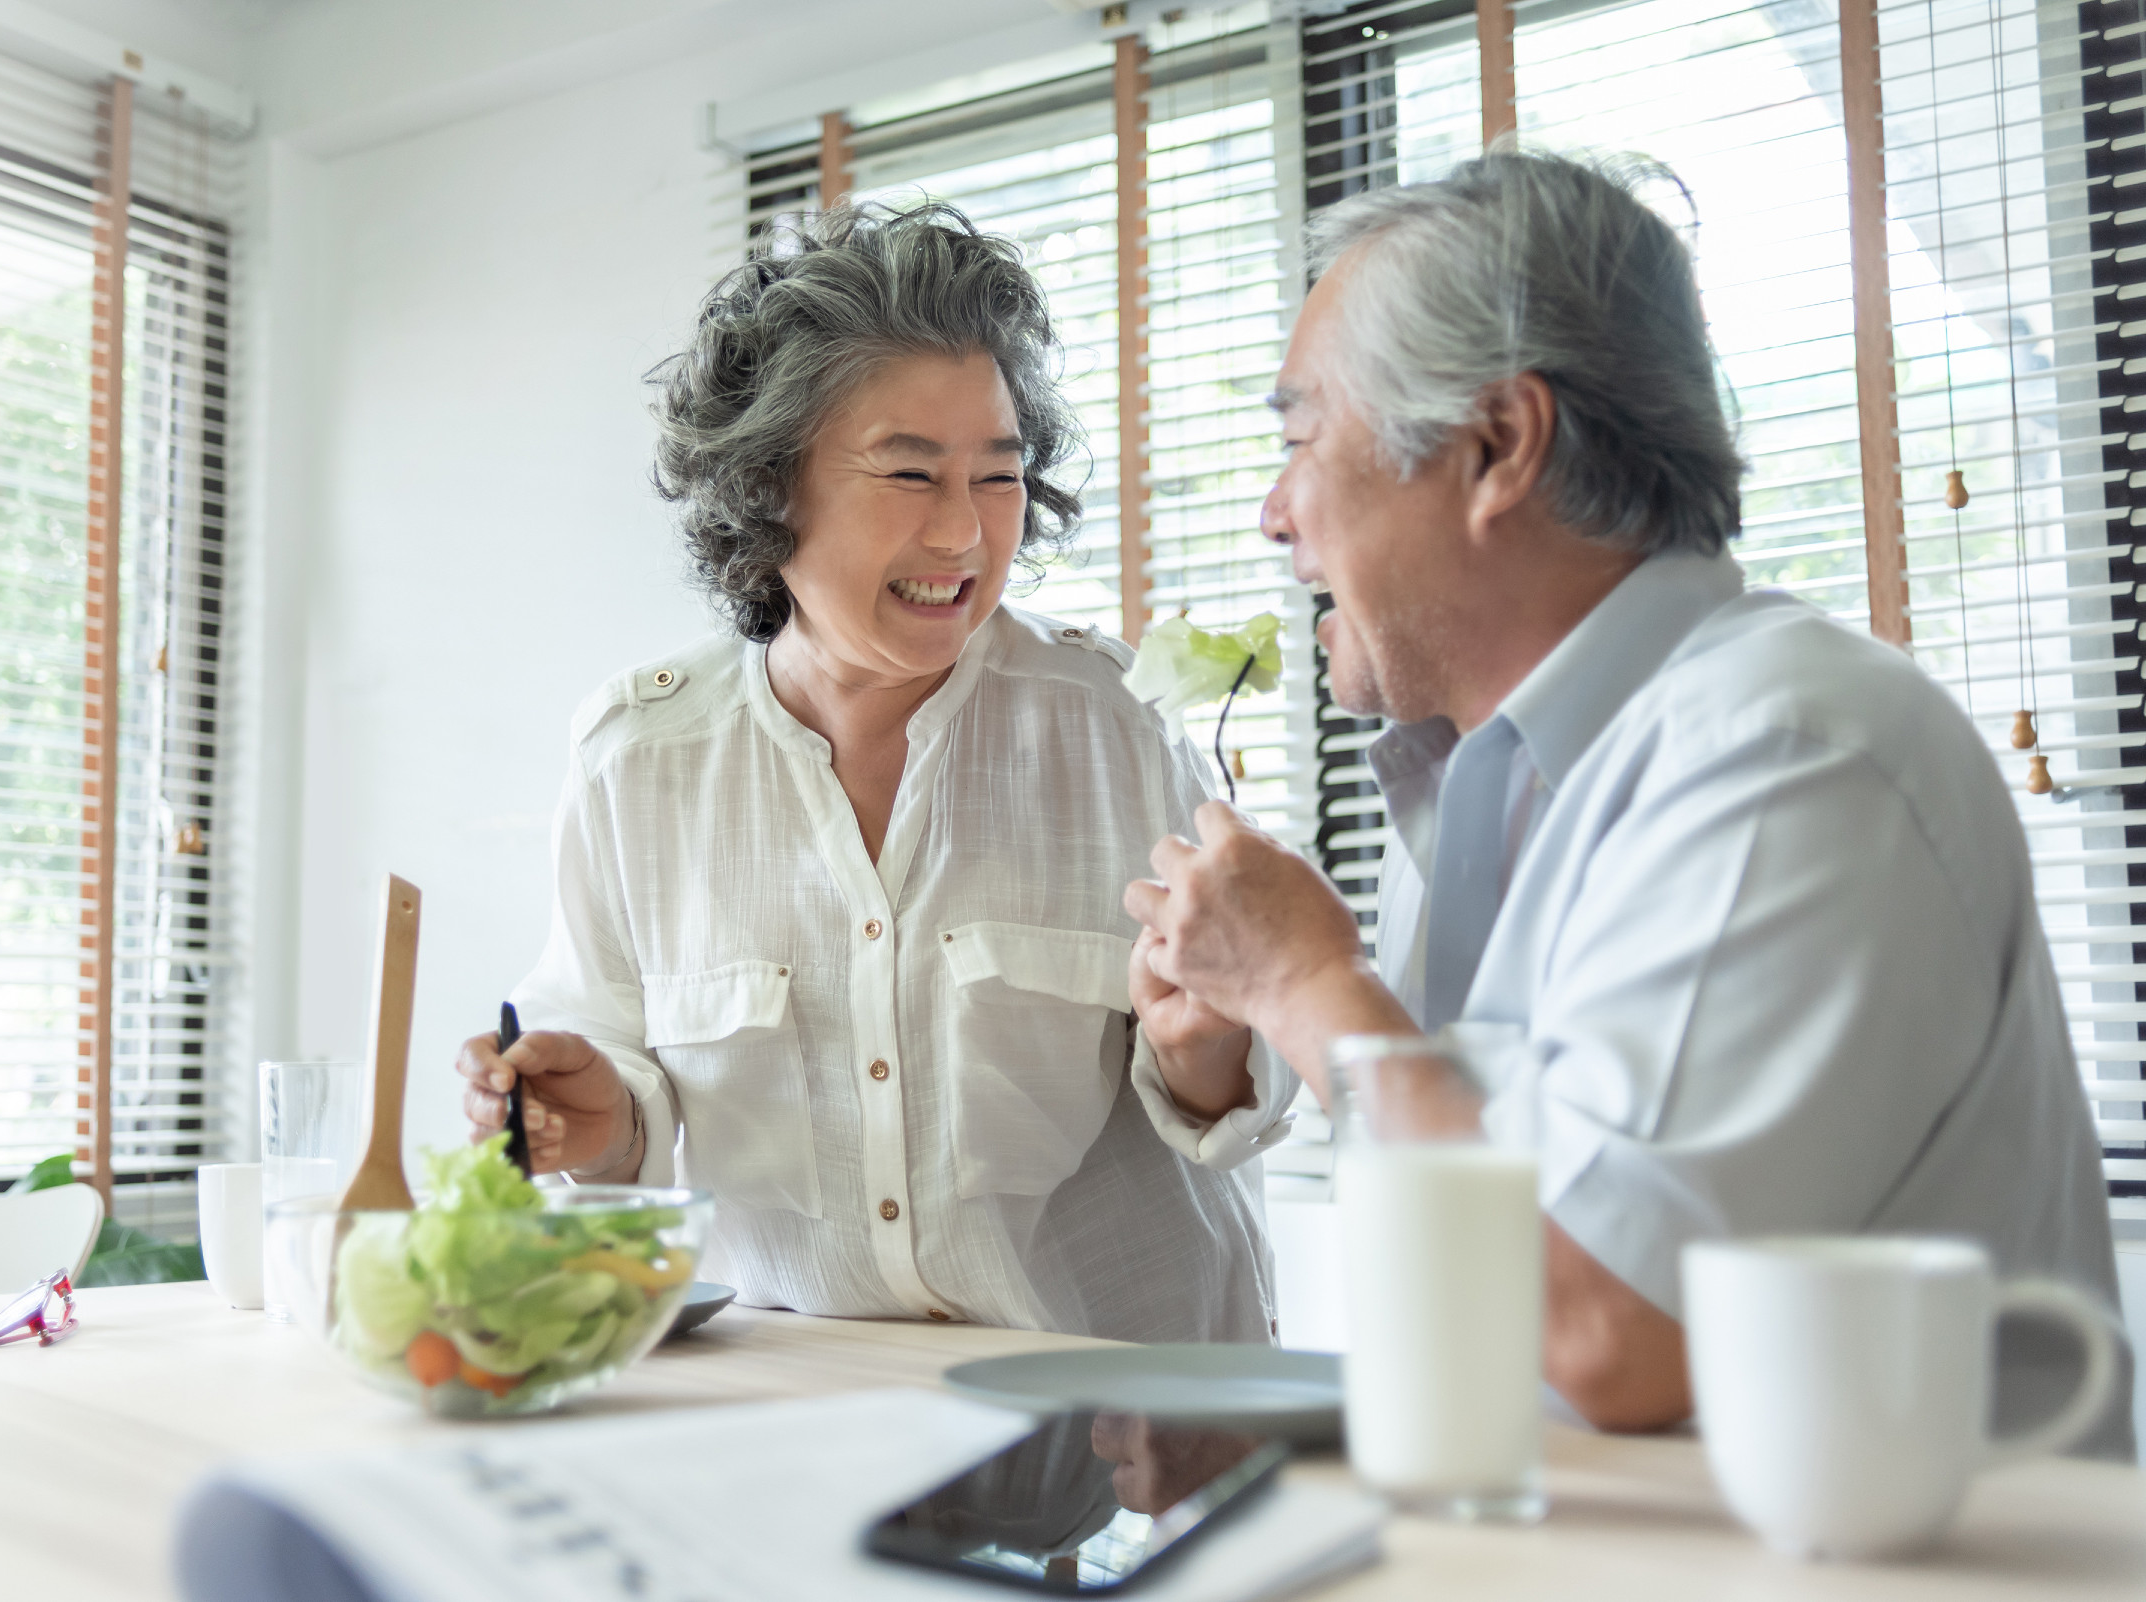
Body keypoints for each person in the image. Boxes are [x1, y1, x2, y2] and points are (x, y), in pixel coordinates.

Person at [1124, 150, 2133, 1454]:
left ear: (1497, 446)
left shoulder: (1790, 753)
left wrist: (1311, 986)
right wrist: (1249, 1025)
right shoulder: (1477, 779)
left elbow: (1608, 1329)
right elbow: (1491, 1273)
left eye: (1301, 439)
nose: (1273, 516)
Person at [456, 203, 1295, 1343]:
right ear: (769, 486)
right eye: (911, 475)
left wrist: (1211, 1057)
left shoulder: (1118, 727)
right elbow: (615, 1092)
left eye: (997, 479)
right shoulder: (638, 762)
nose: (963, 536)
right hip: (814, 1428)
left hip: (1123, 1441)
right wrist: (591, 1121)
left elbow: (1244, 1088)